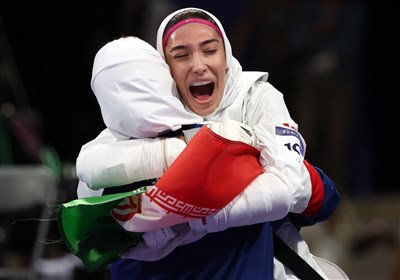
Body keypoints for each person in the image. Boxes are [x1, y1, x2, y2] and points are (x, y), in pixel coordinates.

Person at [76, 7, 342, 279]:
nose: (198, 65)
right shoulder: (132, 132)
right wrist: (183, 154)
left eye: (209, 50)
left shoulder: (254, 95)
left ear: (226, 55)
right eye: (181, 55)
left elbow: (295, 190)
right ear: (163, 72)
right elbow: (87, 173)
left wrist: (190, 214)